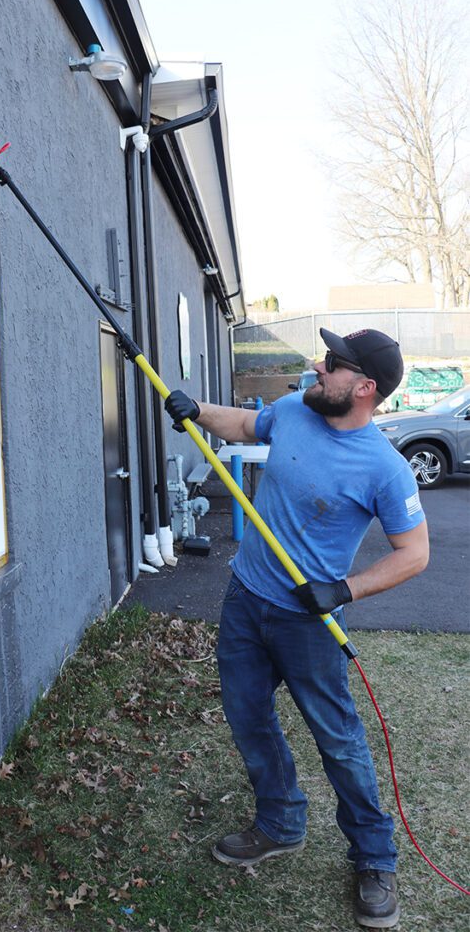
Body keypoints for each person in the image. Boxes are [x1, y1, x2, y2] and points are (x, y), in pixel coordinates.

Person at [164, 328, 429, 929]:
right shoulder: (294, 408)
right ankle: (280, 821)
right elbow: (243, 426)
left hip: (308, 623)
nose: (318, 365)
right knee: (248, 715)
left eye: (333, 363)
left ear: (363, 388)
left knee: (337, 739)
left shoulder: (385, 468)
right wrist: (196, 410)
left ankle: (374, 857)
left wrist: (345, 590)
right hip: (245, 598)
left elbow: (414, 553)